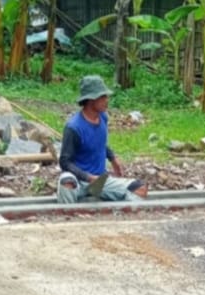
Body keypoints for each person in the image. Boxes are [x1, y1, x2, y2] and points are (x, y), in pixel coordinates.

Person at [57, 75, 148, 204]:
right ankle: (69, 218)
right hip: (78, 180)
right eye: (102, 97)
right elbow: (65, 162)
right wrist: (88, 177)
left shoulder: (103, 118)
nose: (107, 100)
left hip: (100, 180)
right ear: (90, 100)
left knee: (139, 189)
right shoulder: (74, 127)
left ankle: (114, 217)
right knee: (66, 182)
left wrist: (113, 158)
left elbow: (98, 143)